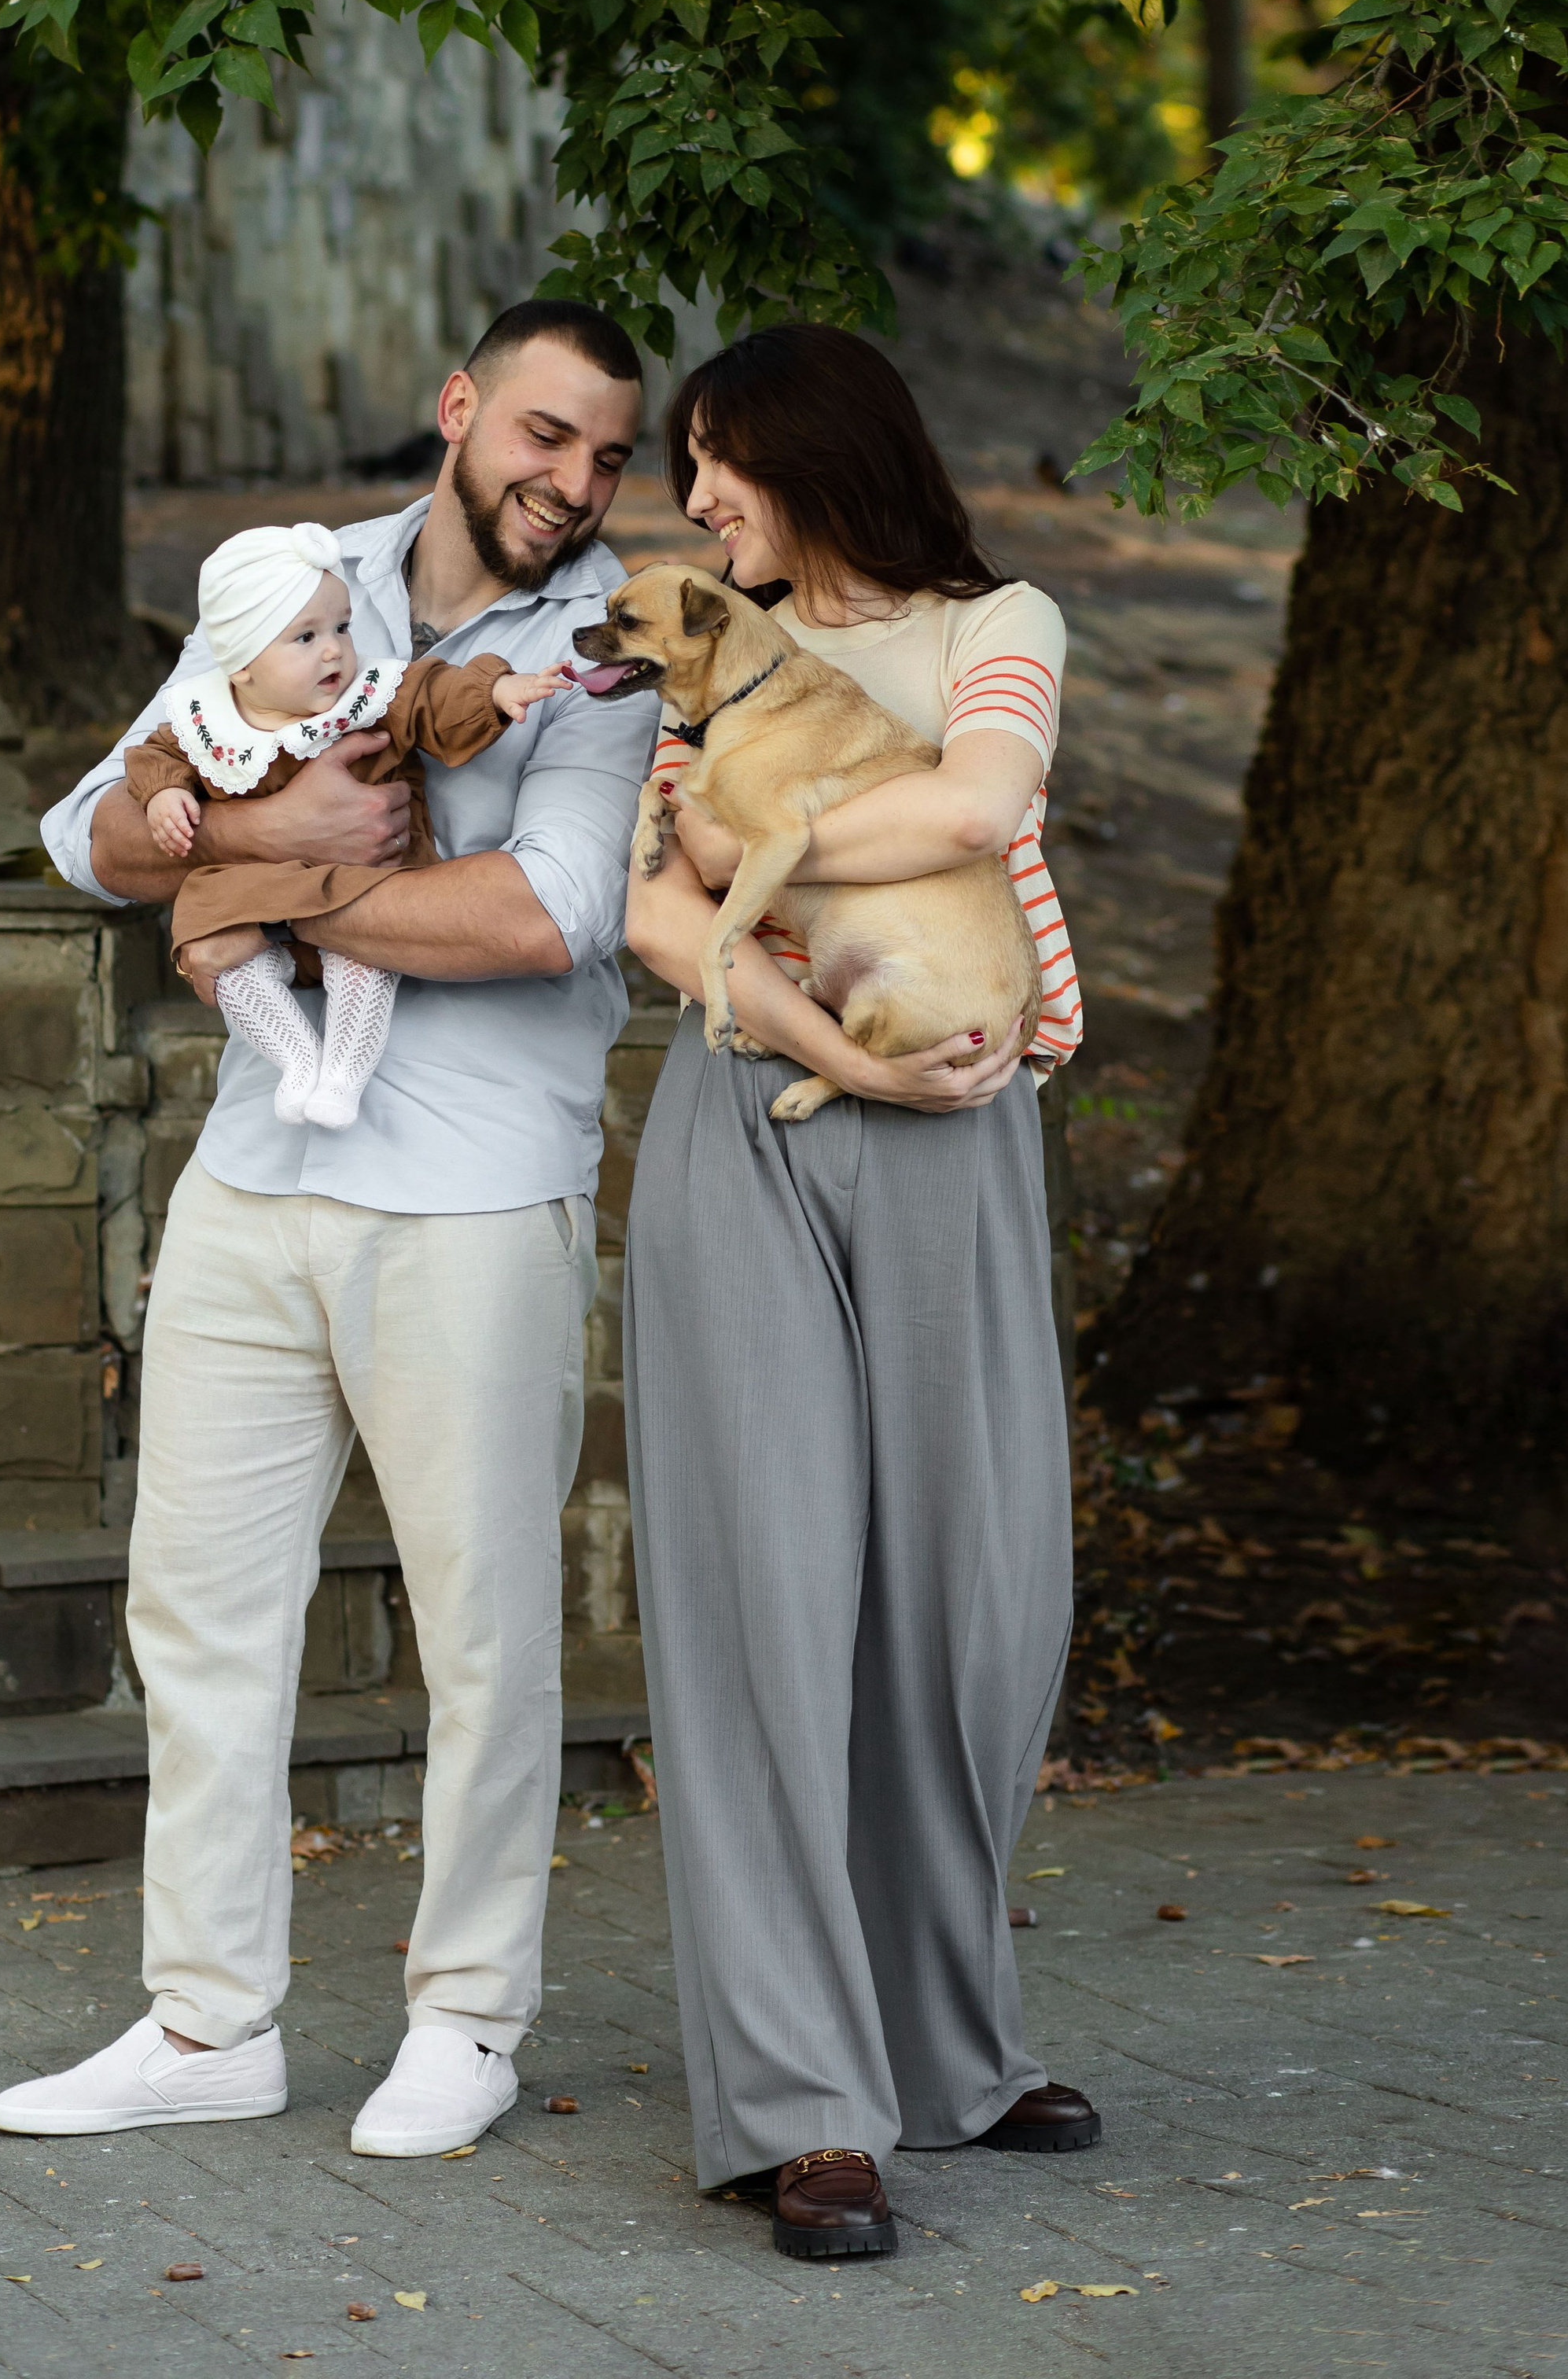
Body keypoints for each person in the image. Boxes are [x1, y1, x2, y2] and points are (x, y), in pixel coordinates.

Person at [0, 300, 657, 2156]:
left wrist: (276, 888)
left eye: (608, 453)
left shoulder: (611, 643)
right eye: (542, 434)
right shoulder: (298, 576)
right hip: (251, 1180)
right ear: (458, 412)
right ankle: (207, 2023)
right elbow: (89, 829)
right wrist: (263, 856)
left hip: (468, 1193)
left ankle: (466, 2016)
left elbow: (550, 913)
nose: (572, 481)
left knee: (481, 1633)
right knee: (194, 1612)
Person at [620, 322, 1095, 2262]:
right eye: (690, 469)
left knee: (975, 1607)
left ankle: (943, 2047)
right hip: (753, 1113)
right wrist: (812, 997)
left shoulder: (997, 623)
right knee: (764, 1607)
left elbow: (975, 807)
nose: (698, 500)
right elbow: (656, 904)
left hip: (955, 1134)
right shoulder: (699, 651)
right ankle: (798, 2108)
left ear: (820, 454)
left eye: (721, 460)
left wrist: (766, 843)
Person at [123, 519, 567, 1128]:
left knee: (362, 963)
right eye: (304, 638)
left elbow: (433, 697)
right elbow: (155, 759)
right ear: (243, 664)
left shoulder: (369, 696)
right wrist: (163, 797)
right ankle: (298, 1059)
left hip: (360, 889)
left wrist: (493, 693)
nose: (334, 649)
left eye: (341, 627)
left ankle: (343, 1074)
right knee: (215, 949)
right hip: (252, 903)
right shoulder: (206, 722)